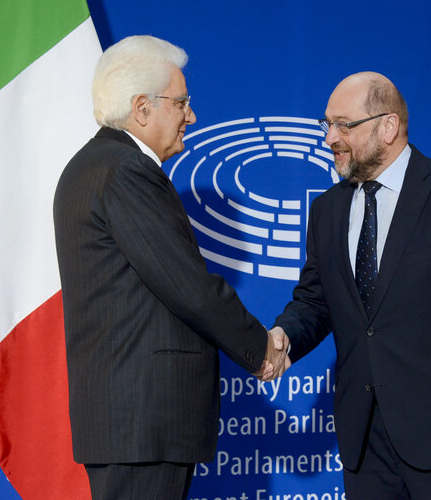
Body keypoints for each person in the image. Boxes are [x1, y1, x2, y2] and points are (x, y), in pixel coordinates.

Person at [272, 72, 431, 499]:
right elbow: (316, 301)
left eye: (343, 125)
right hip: (366, 445)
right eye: (327, 125)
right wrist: (285, 336)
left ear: (388, 126)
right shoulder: (327, 210)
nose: (329, 138)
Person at [53, 35, 288, 500]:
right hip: (144, 422)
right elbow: (188, 287)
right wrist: (259, 346)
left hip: (131, 423)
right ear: (142, 107)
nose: (191, 116)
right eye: (182, 102)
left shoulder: (90, 167)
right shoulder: (126, 171)